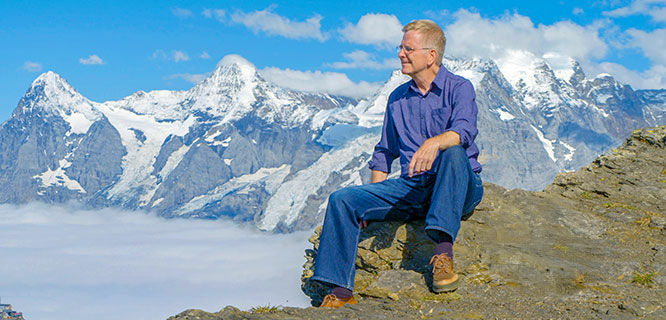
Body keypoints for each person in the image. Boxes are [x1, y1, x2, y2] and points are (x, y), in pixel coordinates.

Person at [312, 19, 484, 308]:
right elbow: (384, 152)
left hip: (459, 185)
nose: (401, 54)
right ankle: (340, 290)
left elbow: (464, 131)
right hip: (414, 188)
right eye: (400, 48)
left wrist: (435, 142)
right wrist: (373, 201)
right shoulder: (397, 98)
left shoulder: (460, 87)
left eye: (408, 48)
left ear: (431, 55)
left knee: (453, 152)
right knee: (342, 199)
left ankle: (442, 254)